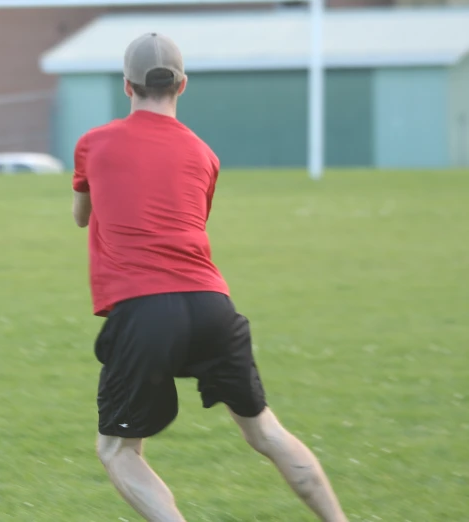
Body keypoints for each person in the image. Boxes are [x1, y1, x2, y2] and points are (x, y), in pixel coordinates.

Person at [71, 32, 348, 522]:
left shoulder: (94, 144)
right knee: (265, 433)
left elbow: (80, 215)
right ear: (183, 85)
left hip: (143, 309)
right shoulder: (204, 154)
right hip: (211, 304)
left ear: (126, 85)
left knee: (118, 450)